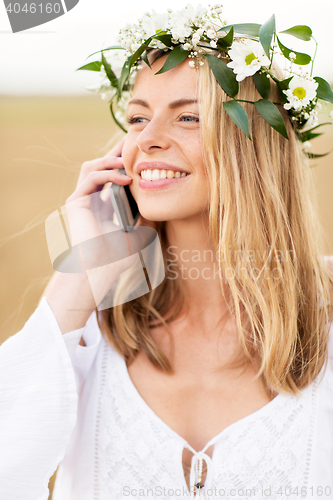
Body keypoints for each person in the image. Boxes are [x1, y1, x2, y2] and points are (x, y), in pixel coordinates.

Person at [1, 5, 333, 500]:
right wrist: (85, 269)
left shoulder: (325, 315)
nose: (147, 140)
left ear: (257, 144)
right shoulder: (91, 334)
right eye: (137, 117)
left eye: (188, 117)